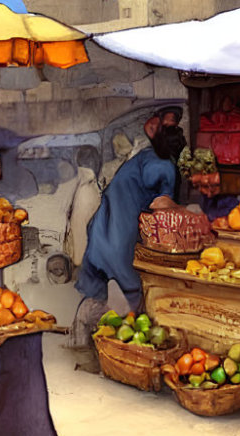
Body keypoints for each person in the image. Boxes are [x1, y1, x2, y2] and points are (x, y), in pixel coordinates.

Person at [69, 107, 187, 371]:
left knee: (99, 286)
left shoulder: (143, 158)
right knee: (133, 297)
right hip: (121, 237)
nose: (175, 131)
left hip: (103, 231)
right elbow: (162, 205)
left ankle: (83, 343)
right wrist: (189, 213)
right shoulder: (162, 165)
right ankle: (122, 357)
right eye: (170, 127)